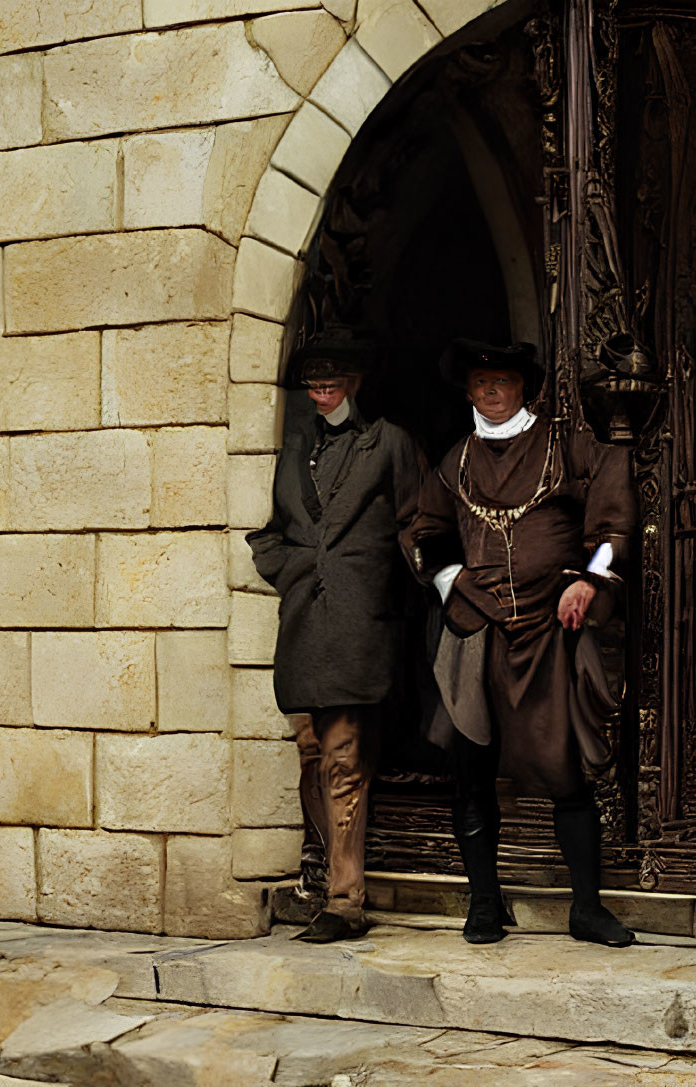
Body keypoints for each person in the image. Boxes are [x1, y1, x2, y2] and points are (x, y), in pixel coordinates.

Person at [403, 339, 638, 948]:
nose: (492, 393)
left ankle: (586, 908)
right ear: (469, 391)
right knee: (472, 772)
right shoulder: (453, 463)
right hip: (475, 631)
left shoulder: (567, 449)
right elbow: (423, 532)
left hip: (548, 631)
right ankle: (485, 905)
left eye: (503, 382)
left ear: (524, 388)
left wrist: (589, 578)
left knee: (565, 772)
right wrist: (453, 581)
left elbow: (611, 527)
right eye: (482, 383)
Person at [246, 328, 424, 944]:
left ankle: (346, 902)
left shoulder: (389, 444)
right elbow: (269, 532)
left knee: (346, 757)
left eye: (332, 384)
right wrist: (291, 570)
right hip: (302, 627)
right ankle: (318, 880)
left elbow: (417, 525)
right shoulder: (296, 450)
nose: (322, 394)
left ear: (355, 384)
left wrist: (380, 586)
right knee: (312, 754)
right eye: (314, 386)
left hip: (358, 629)